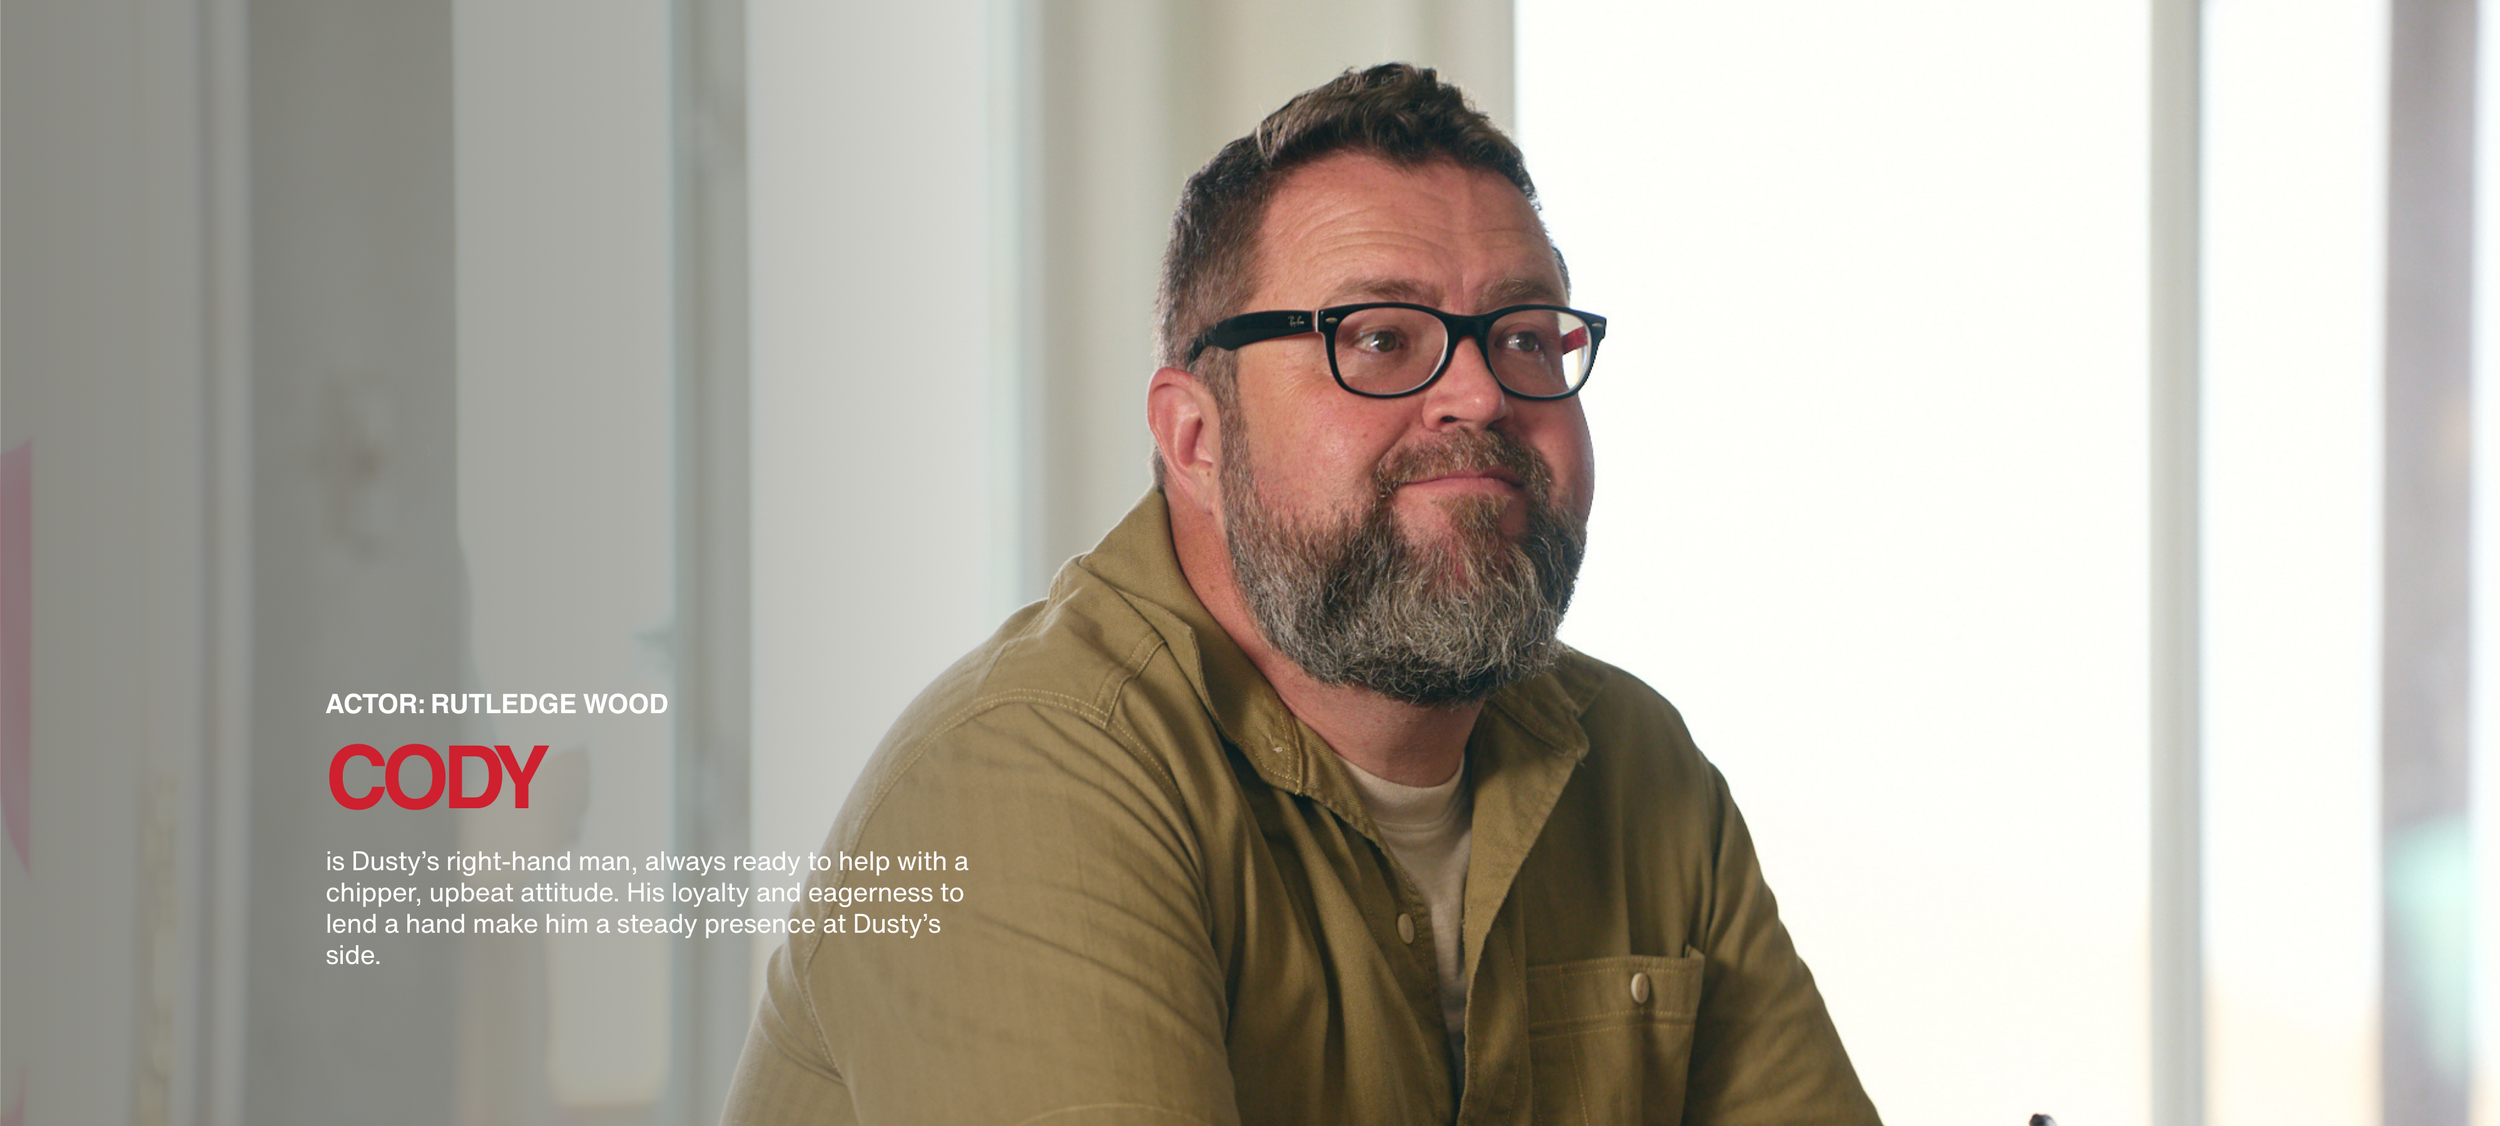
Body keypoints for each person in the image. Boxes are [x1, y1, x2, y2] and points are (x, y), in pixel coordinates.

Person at [720, 63, 1879, 1126]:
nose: (1478, 393)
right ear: (1194, 436)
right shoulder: (1023, 778)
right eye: (1378, 338)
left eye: (1524, 335)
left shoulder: (1636, 766)